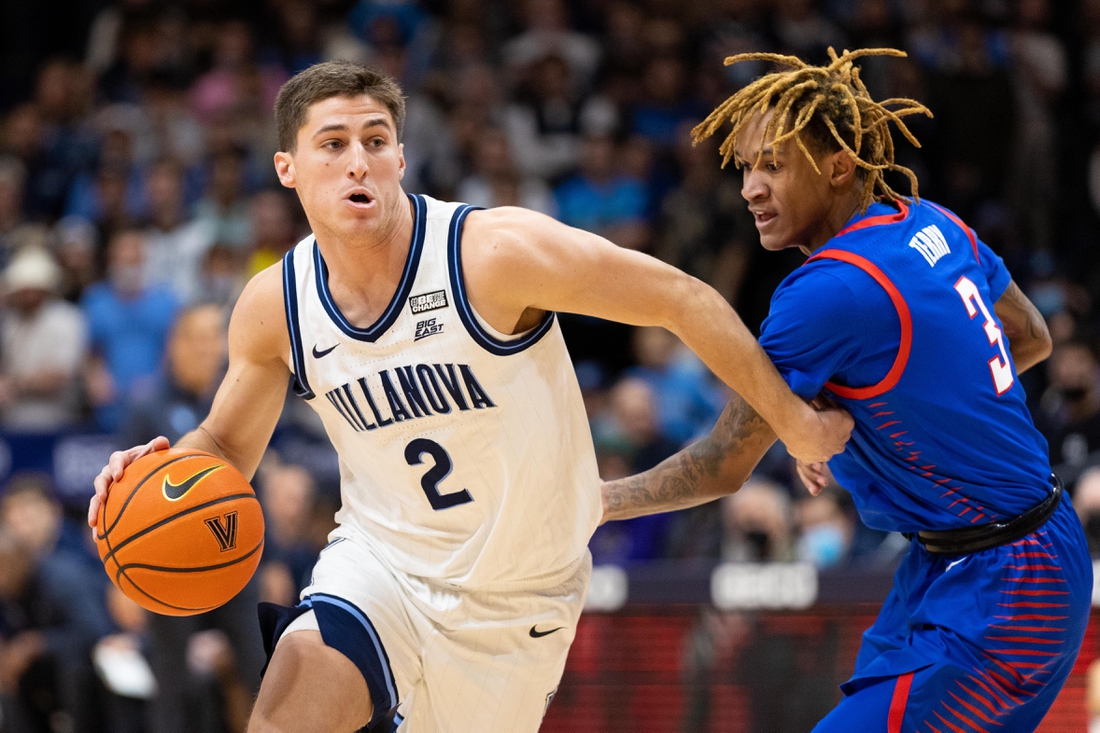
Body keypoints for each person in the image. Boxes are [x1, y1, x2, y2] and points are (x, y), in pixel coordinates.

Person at [87, 60, 851, 733]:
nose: (359, 161)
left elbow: (681, 298)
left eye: (376, 140)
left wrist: (793, 423)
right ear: (289, 167)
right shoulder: (274, 304)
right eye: (333, 144)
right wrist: (158, 474)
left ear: (401, 157)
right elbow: (223, 446)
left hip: (518, 601)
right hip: (377, 566)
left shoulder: (491, 255)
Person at [600, 48, 1091, 732]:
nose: (749, 188)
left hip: (1001, 584)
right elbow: (1029, 336)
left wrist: (593, 501)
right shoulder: (929, 220)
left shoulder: (825, 292)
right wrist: (884, 410)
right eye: (744, 167)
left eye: (772, 162)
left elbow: (722, 463)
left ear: (838, 165)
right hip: (1001, 552)